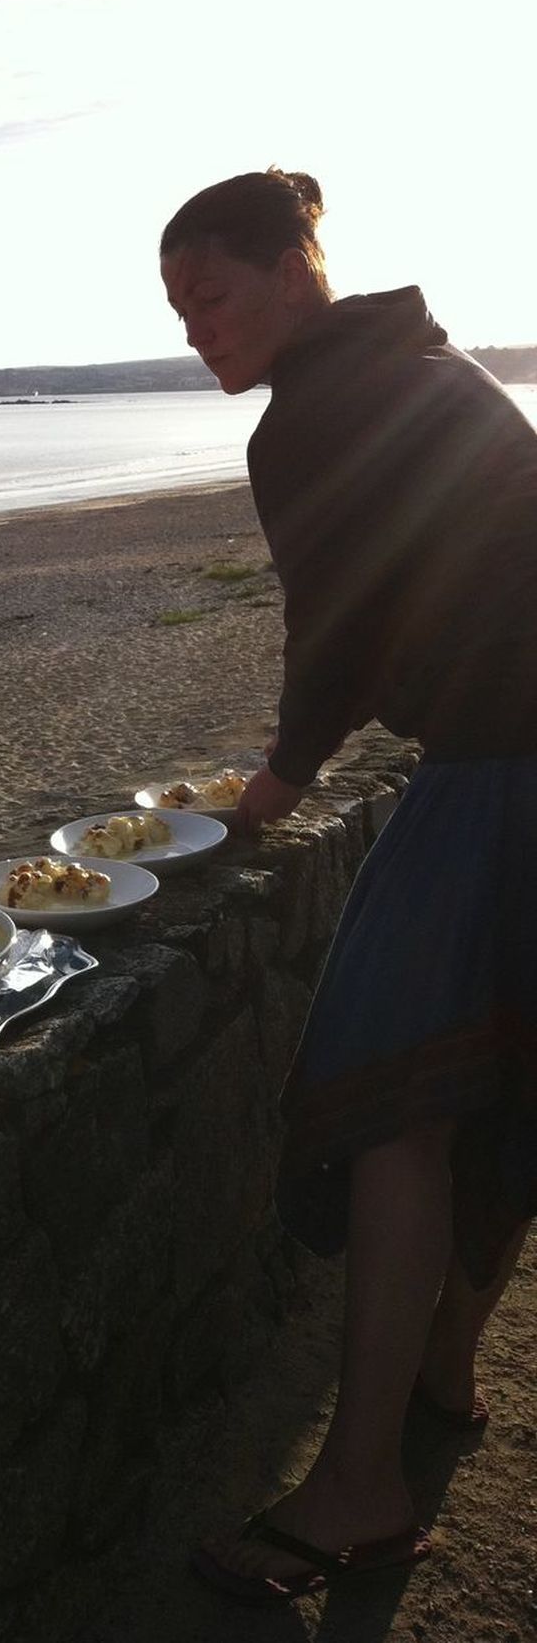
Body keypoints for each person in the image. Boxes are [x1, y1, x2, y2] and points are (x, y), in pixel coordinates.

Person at [160, 168, 537, 1605]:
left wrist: (275, 784)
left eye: (213, 293)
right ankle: (446, 1371)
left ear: (295, 265)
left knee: (389, 1097)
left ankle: (361, 1490)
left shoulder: (313, 412)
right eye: (178, 310)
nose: (197, 329)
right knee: (504, 1072)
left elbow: (333, 622)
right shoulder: (425, 361)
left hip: (505, 756)